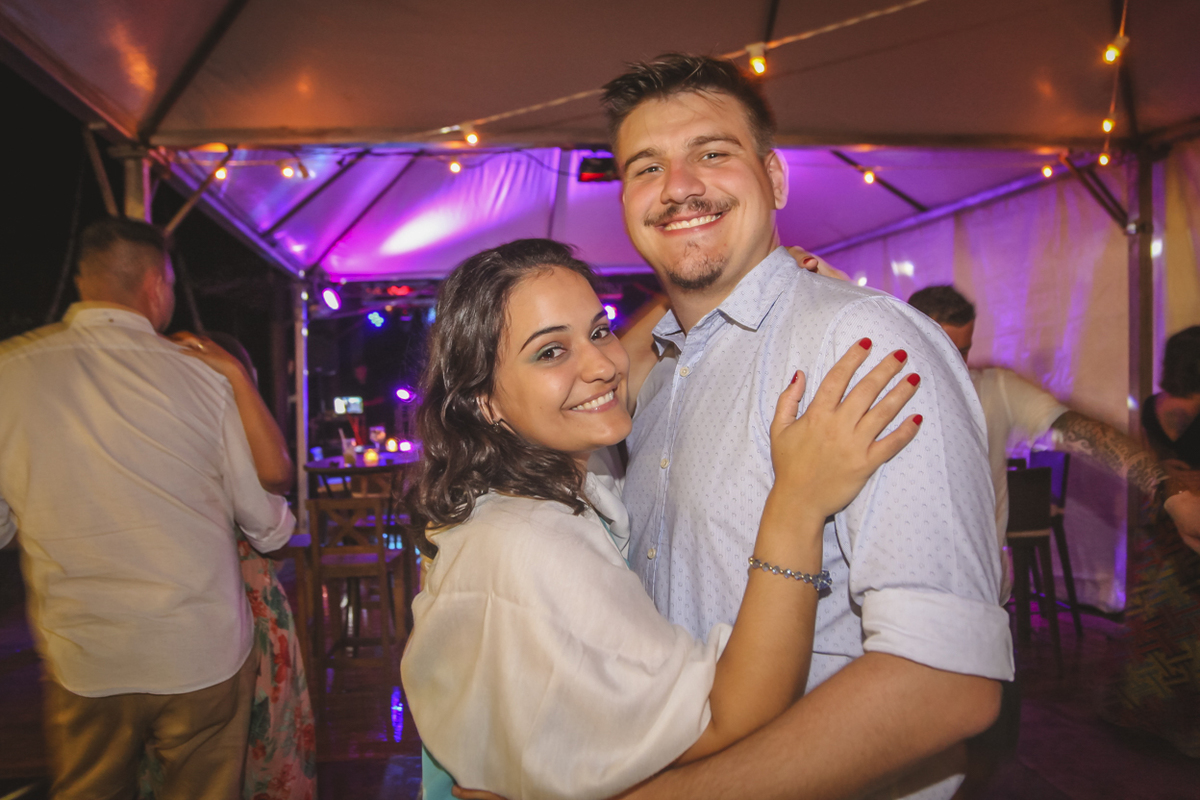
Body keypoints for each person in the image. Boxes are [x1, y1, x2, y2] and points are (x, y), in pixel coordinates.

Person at [598, 54, 1012, 800]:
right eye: (645, 168)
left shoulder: (859, 346)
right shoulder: (658, 382)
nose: (680, 187)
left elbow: (946, 680)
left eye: (713, 153)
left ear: (776, 179)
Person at [400, 238, 922, 800]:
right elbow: (727, 712)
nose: (602, 365)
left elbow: (623, 359)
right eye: (550, 352)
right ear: (485, 402)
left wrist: (731, 279)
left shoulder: (528, 479)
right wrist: (796, 503)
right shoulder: (531, 544)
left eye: (598, 331)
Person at [0, 217, 295, 799]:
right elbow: (266, 523)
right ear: (158, 286)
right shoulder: (202, 377)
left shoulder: (9, 371)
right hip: (199, 647)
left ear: (83, 280)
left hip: (87, 654)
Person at [907, 284, 1200, 596]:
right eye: (941, 348)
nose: (955, 363)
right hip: (903, 600)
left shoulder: (997, 389)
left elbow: (1091, 435)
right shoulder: (875, 397)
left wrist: (1175, 494)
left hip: (981, 597)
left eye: (963, 350)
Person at [136, 331, 317, 800]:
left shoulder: (150, 432)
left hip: (159, 606)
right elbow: (273, 531)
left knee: (172, 758)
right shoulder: (227, 430)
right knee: (258, 744)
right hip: (241, 600)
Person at [1103, 325, 1200, 756]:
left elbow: (1151, 462)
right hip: (1195, 510)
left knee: (1157, 622)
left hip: (1162, 509)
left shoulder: (1151, 407)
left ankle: (1147, 712)